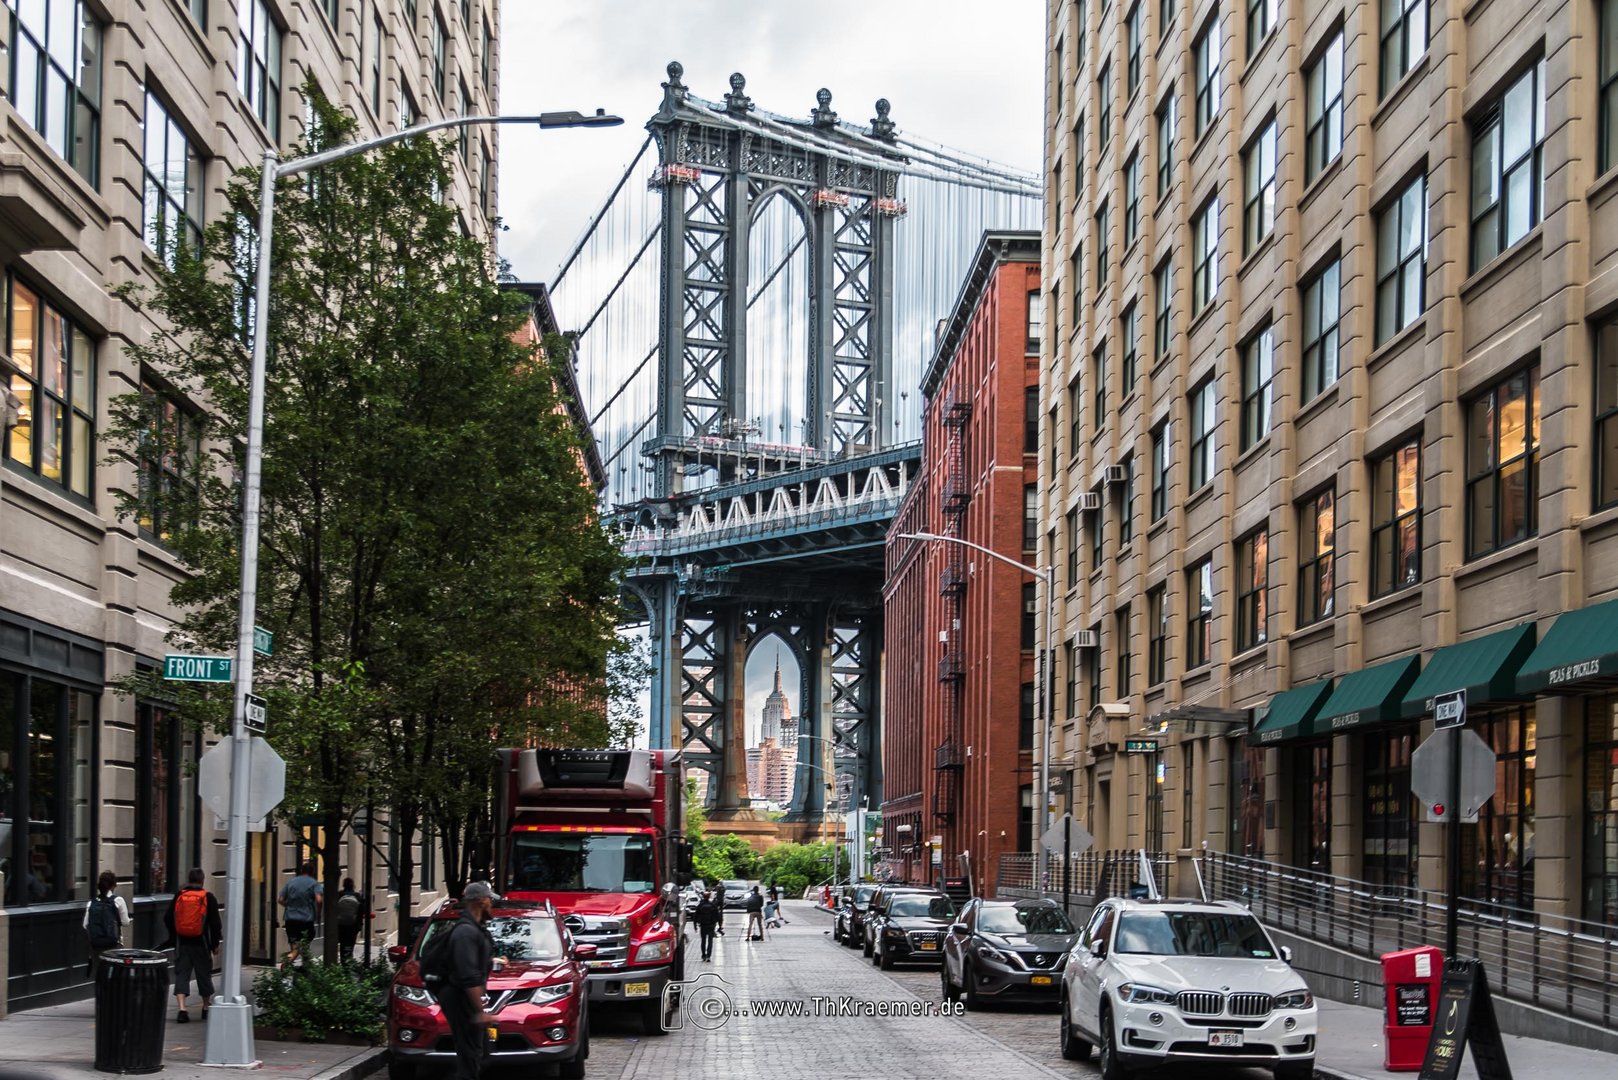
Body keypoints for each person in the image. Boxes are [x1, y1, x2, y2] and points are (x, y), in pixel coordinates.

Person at [435, 881, 500, 1080]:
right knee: (470, 1054)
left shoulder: (474, 929)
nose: (492, 903)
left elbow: (472, 964)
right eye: (489, 899)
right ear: (480, 901)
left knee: (481, 1052)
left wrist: (491, 962)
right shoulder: (465, 933)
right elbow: (468, 975)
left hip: (465, 1000)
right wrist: (480, 1011)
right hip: (460, 1000)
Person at [165, 867, 222, 1023]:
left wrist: (174, 935)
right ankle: (205, 1007)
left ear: (189, 880)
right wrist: (215, 943)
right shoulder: (208, 898)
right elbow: (216, 923)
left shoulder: (179, 896)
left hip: (182, 942)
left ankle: (182, 1009)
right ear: (202, 880)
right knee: (204, 974)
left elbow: (168, 918)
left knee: (182, 974)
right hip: (201, 944)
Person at [83, 870, 131, 977]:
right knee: (116, 975)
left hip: (96, 946)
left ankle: (101, 993)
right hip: (114, 945)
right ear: (113, 886)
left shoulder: (91, 903)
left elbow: (85, 925)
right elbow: (125, 922)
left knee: (99, 975)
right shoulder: (118, 901)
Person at [278, 860, 323, 966]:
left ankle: (303, 968)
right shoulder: (314, 883)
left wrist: (289, 906)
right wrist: (318, 912)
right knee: (303, 945)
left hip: (290, 919)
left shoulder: (291, 882)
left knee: (294, 947)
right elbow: (319, 900)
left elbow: (280, 899)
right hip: (305, 920)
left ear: (302, 871)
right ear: (312, 872)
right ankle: (288, 964)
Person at [334, 877, 364, 963]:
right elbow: (362, 909)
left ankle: (342, 959)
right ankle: (349, 958)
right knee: (351, 943)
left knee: (342, 942)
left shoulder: (339, 895)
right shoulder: (357, 896)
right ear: (353, 886)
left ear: (343, 885)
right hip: (353, 925)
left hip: (341, 924)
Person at [692, 889, 721, 960]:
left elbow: (695, 916)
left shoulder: (700, 905)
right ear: (709, 897)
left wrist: (695, 925)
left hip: (703, 925)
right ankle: (708, 956)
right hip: (711, 925)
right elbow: (718, 916)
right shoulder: (713, 905)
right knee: (710, 941)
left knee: (703, 941)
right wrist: (719, 926)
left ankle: (703, 955)